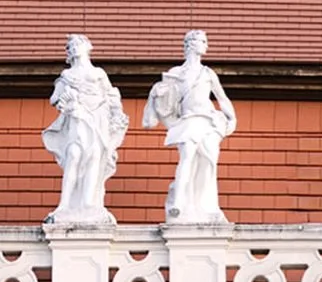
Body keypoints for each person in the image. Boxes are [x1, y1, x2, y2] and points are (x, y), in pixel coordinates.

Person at [142, 29, 238, 224]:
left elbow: (222, 98)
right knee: (187, 156)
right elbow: (165, 102)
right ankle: (179, 201)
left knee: (207, 164)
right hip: (188, 121)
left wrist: (232, 119)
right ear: (191, 44)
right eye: (203, 41)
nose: (206, 45)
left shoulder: (208, 73)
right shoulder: (176, 73)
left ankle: (204, 206)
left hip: (208, 121)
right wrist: (157, 93)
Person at [42, 34, 128, 225]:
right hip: (78, 116)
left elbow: (112, 96)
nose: (74, 48)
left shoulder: (98, 74)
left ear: (87, 47)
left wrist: (117, 113)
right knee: (74, 154)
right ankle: (65, 204)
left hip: (98, 117)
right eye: (70, 47)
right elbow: (54, 99)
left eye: (77, 45)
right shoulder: (67, 76)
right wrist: (67, 97)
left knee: (95, 155)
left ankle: (89, 203)